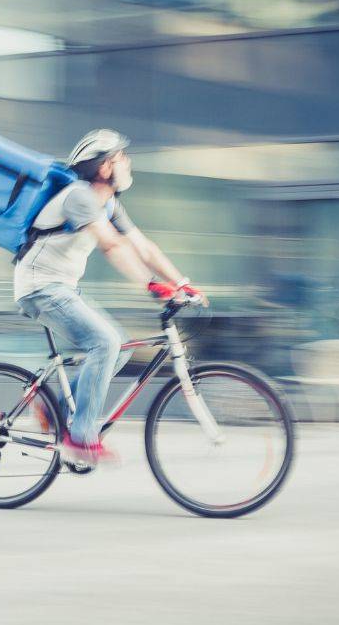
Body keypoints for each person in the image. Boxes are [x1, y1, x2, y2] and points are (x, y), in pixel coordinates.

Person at [14, 129, 202, 466]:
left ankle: (50, 403)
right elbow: (111, 244)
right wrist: (150, 285)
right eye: (121, 158)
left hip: (63, 287)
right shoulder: (79, 197)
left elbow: (144, 246)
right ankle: (80, 439)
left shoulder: (108, 203)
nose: (128, 164)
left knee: (117, 347)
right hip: (40, 288)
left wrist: (183, 283)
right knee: (104, 343)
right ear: (104, 168)